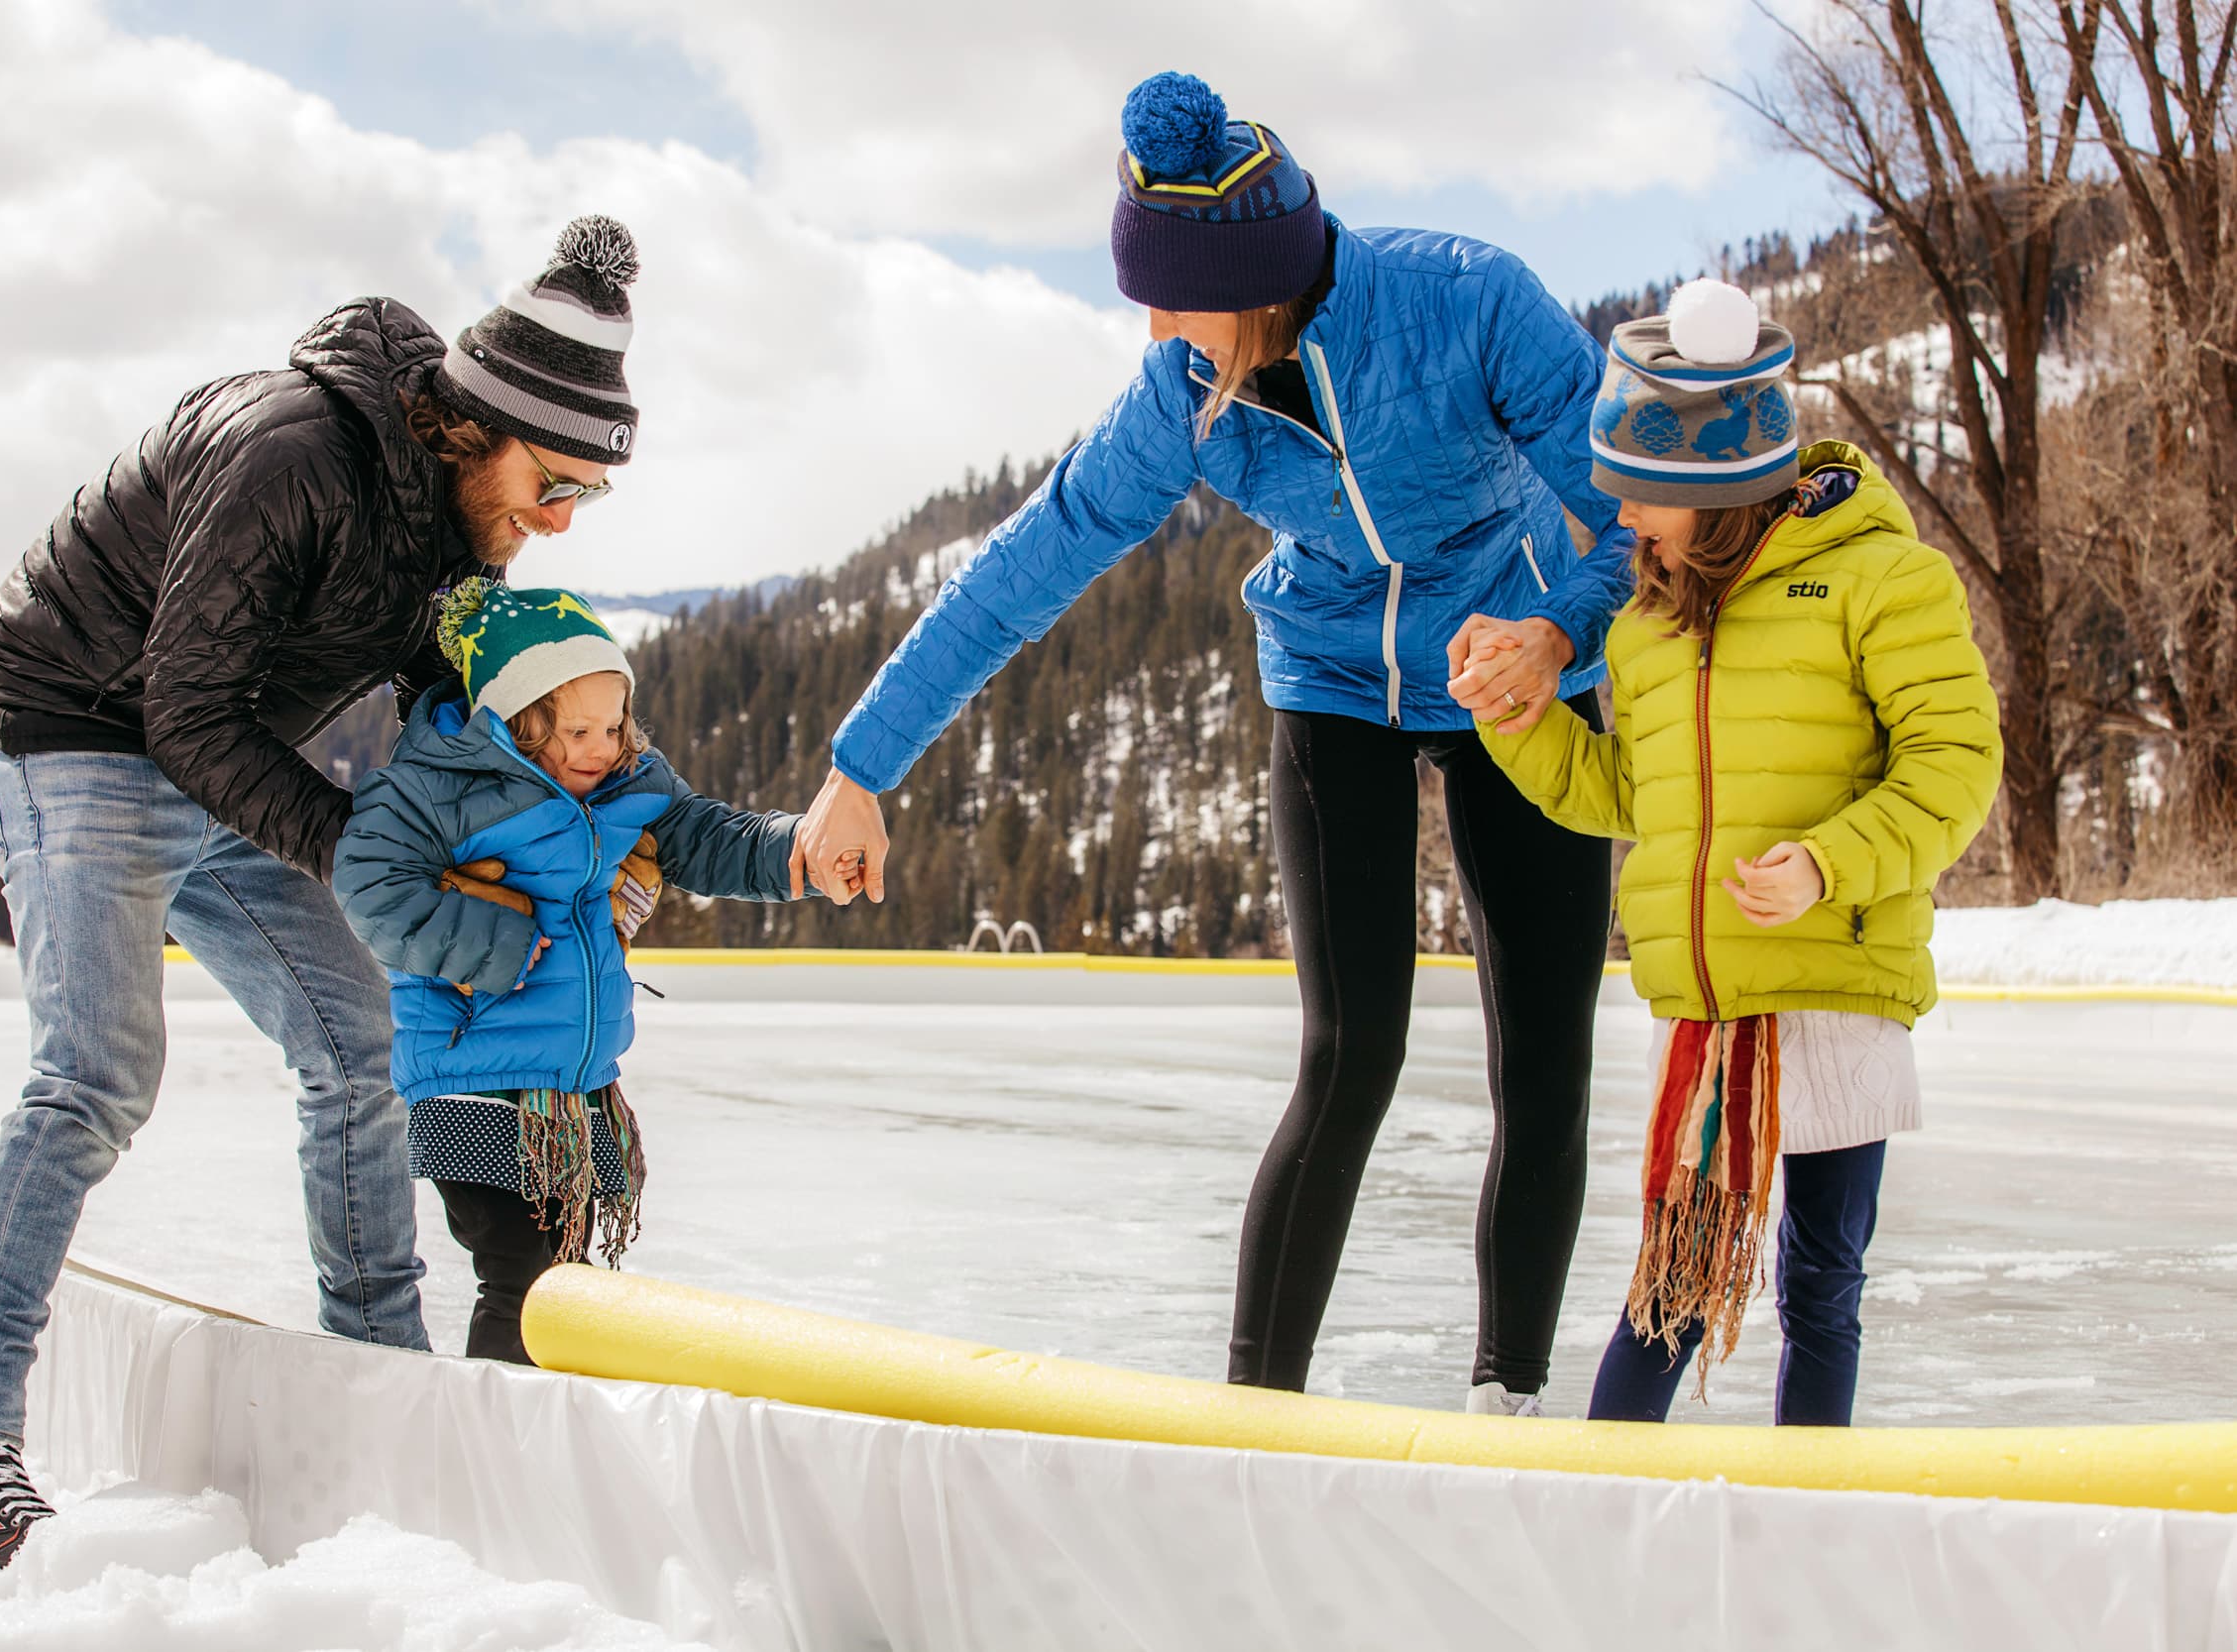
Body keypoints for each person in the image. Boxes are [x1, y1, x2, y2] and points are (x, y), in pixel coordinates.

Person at [791, 72, 1635, 1413]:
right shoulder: (1186, 388)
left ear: (1253, 281)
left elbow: (1635, 506)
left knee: (1544, 1054)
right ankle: (1252, 1411)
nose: (1156, 323)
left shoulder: (1472, 301)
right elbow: (1024, 568)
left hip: (1514, 670)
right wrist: (858, 768)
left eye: (1173, 294)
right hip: (1333, 678)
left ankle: (1509, 1396)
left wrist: (1559, 636)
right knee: (1349, 1051)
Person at [0, 217, 646, 1567]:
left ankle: (372, 1370)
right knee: (94, 1074)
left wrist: (574, 815)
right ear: (476, 424)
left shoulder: (462, 527)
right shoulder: (288, 451)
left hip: (219, 751)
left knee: (361, 1045)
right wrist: (373, 856)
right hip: (75, 726)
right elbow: (181, 706)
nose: (559, 517)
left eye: (585, 493)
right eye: (553, 480)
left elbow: (454, 692)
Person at [1460, 279, 2001, 1425]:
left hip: (1837, 988)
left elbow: (1954, 763)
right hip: (1710, 1014)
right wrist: (1518, 719)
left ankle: (1803, 1521)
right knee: (1673, 1289)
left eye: (1642, 499)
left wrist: (1828, 861)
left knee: (1820, 1286)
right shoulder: (1648, 624)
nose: (1622, 523)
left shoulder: (1881, 580)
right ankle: (1603, 1510)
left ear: (1710, 492)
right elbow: (1625, 793)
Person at [333, 583, 823, 1364]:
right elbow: (369, 885)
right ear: (520, 723)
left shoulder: (629, 785)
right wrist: (499, 940)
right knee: (528, 1283)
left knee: (561, 1282)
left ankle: (538, 1434)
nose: (603, 745)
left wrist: (800, 852)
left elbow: (708, 837)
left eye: (616, 723)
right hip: (476, 1083)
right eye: (579, 729)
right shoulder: (442, 788)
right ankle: (493, 1447)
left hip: (572, 1089)